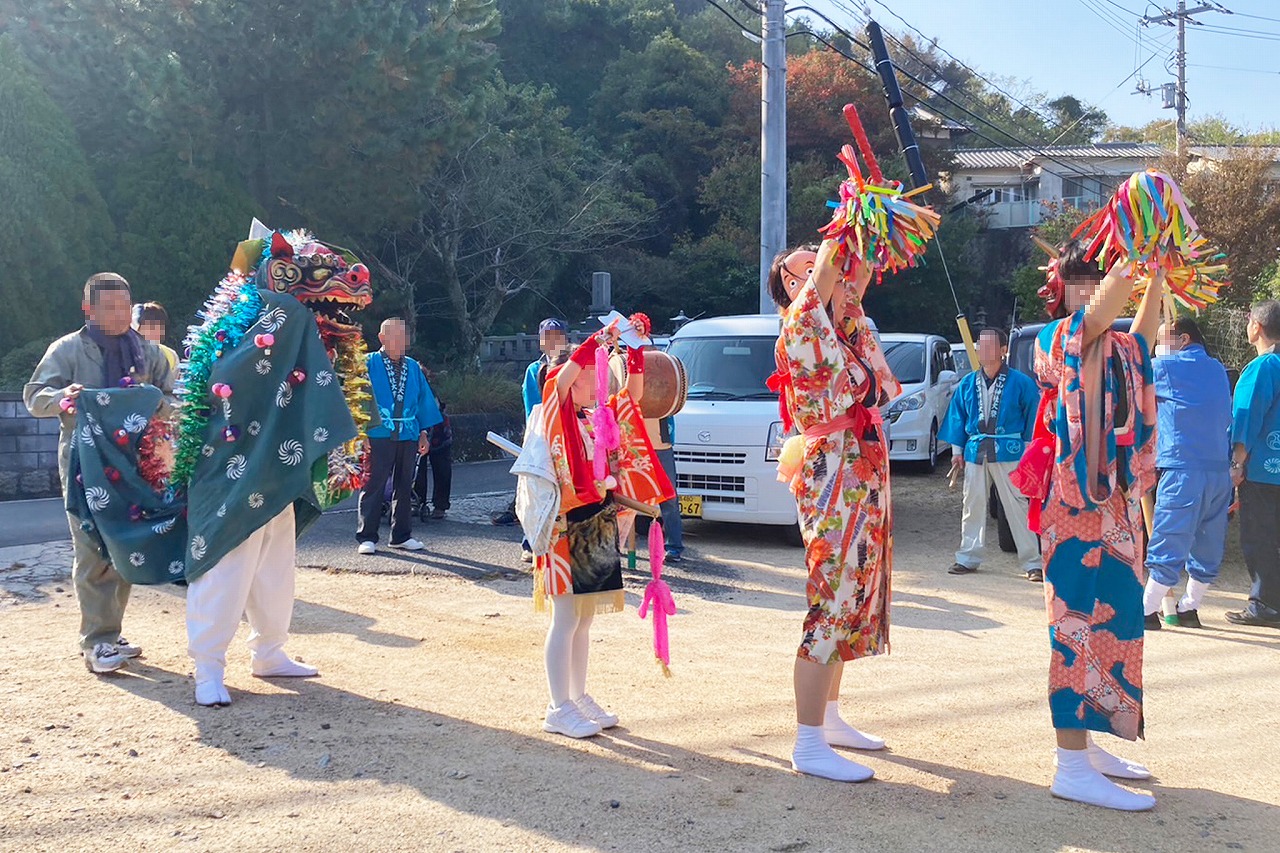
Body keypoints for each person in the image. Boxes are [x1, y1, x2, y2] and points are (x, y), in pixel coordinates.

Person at [1031, 240, 1165, 811]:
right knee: (1074, 631)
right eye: (1078, 279)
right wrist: (1134, 243)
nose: (1088, 287)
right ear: (1060, 288)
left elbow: (1143, 333)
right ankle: (1069, 765)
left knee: (1121, 621)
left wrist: (1157, 273)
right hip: (1072, 505)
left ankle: (1092, 746)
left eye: (1095, 276)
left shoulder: (1119, 347)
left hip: (1115, 504)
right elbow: (1104, 309)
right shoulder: (1055, 337)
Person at [767, 240, 900, 783]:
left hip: (861, 466)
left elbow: (853, 276)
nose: (836, 277)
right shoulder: (799, 326)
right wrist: (847, 221)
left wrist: (865, 239)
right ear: (791, 287)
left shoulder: (844, 328)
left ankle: (830, 717)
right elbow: (828, 268)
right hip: (832, 471)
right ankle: (807, 741)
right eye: (808, 271)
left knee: (856, 593)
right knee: (832, 596)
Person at [24, 273, 175, 673]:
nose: (119, 314)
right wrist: (63, 397)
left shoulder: (148, 351)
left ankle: (110, 631)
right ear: (87, 309)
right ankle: (97, 640)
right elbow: (35, 396)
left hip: (136, 463)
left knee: (124, 544)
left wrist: (155, 403)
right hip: (83, 463)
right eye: (109, 307)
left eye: (125, 306)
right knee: (92, 548)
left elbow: (175, 398)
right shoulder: (68, 349)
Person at [532, 322, 673, 738]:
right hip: (564, 525)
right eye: (589, 373)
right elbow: (563, 378)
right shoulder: (553, 410)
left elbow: (632, 395)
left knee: (584, 619)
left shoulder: (597, 417)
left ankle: (577, 696)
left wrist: (633, 349)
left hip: (596, 520)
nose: (596, 380)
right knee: (565, 618)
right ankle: (558, 706)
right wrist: (597, 340)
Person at [1142, 317, 1233, 629]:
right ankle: (1190, 606)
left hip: (1183, 467)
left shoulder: (1165, 367)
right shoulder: (1218, 369)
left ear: (1183, 339)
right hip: (1219, 470)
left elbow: (1133, 381)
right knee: (1209, 540)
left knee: (1170, 536)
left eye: (1161, 340)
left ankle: (1146, 610)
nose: (1157, 347)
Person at [940, 328, 1042, 581]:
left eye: (988, 345)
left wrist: (1029, 451)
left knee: (1017, 505)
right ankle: (967, 557)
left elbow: (1034, 416)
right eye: (980, 346)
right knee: (972, 504)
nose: (982, 350)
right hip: (976, 449)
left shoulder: (1022, 383)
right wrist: (956, 451)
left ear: (1003, 350)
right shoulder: (967, 383)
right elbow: (957, 417)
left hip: (1011, 451)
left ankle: (1033, 562)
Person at [357, 318, 442, 555]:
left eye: (404, 336)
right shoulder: (367, 363)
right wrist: (361, 432)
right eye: (394, 336)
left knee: (405, 485)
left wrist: (423, 433)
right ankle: (367, 536)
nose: (400, 341)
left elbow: (423, 401)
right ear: (382, 338)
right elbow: (356, 397)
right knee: (374, 484)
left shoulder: (413, 366)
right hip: (377, 431)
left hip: (408, 431)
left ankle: (401, 536)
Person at [1227, 300, 1280, 628]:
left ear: (1256, 326)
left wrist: (1237, 462)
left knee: (1259, 536)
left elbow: (1247, 417)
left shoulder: (1263, 367)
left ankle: (1265, 603)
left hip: (1263, 469)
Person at [501, 318, 570, 560]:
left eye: (557, 336)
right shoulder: (534, 370)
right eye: (547, 337)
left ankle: (563, 544)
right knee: (535, 490)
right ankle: (530, 542)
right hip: (541, 434)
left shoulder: (572, 365)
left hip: (568, 434)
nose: (552, 341)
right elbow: (533, 407)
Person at [646, 413, 685, 563]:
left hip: (661, 447)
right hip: (634, 443)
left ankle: (674, 547)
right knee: (625, 497)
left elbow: (675, 404)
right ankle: (618, 545)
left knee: (669, 499)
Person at [419, 398, 452, 519]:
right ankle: (418, 502)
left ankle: (440, 505)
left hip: (439, 426)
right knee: (417, 467)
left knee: (442, 467)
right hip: (416, 423)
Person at [131, 301, 179, 372]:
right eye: (151, 327)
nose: (156, 332)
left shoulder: (170, 355)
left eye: (159, 327)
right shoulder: (126, 354)